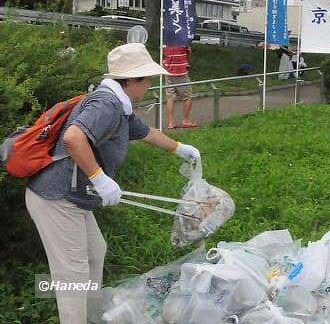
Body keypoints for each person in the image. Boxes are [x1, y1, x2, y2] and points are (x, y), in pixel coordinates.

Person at [25, 43, 201, 324]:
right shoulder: (106, 104)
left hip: (76, 197)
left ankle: (90, 316)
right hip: (56, 198)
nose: (148, 87)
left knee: (96, 252)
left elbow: (146, 133)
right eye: (146, 81)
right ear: (132, 81)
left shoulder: (118, 104)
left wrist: (179, 147)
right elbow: (73, 138)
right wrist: (100, 179)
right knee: (73, 272)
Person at [162, 45, 198, 129]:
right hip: (180, 72)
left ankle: (170, 122)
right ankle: (186, 120)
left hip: (168, 71)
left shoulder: (166, 41)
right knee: (187, 96)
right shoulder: (183, 41)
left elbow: (163, 53)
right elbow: (188, 52)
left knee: (170, 97)